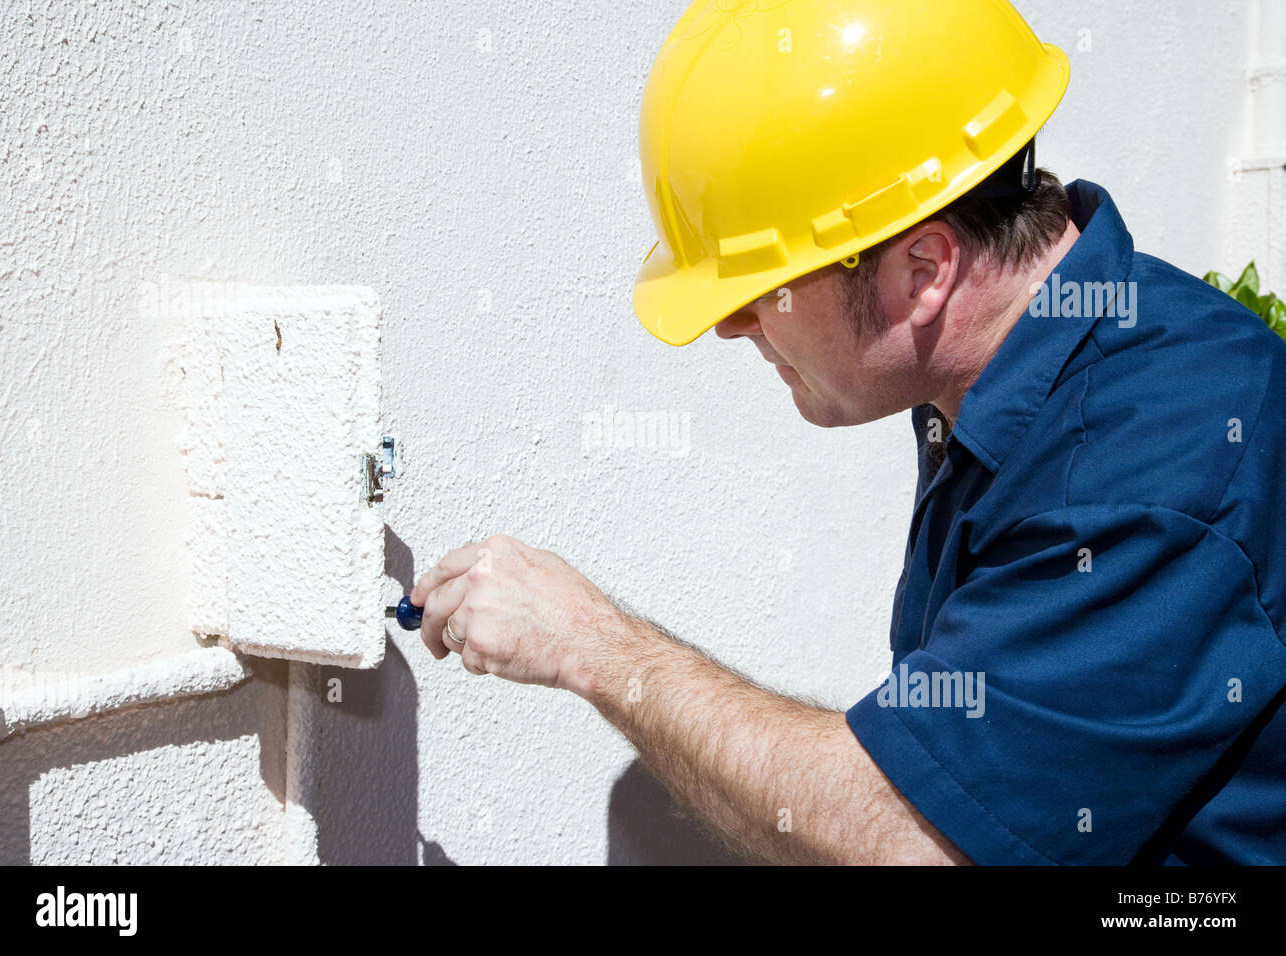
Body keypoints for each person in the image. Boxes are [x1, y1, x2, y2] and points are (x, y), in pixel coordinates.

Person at [409, 0, 1286, 864]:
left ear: (925, 271)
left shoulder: (1146, 463)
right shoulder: (1017, 370)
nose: (731, 326)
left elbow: (915, 839)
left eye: (765, 286)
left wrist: (593, 646)